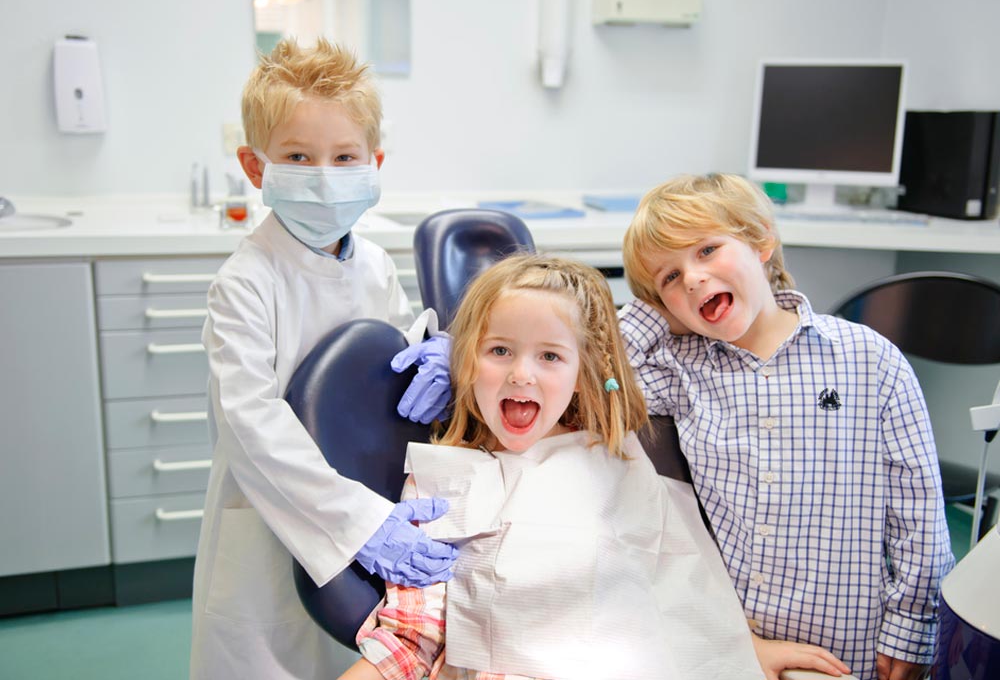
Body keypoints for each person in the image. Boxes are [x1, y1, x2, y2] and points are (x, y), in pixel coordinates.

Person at [344, 254, 850, 680]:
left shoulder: (613, 462)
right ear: (465, 362)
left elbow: (678, 587)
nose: (522, 374)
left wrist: (743, 649)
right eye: (499, 350)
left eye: (550, 356)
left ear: (584, 374)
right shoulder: (443, 482)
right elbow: (412, 637)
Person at [190, 38, 458, 680]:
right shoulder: (246, 282)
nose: (324, 175)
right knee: (267, 656)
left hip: (368, 496)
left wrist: (434, 351)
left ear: (375, 163)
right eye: (298, 157)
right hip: (275, 514)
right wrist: (362, 524)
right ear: (256, 168)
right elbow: (252, 427)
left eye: (344, 157)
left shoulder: (372, 262)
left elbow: (392, 341)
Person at [618, 173, 955, 680]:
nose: (691, 278)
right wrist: (657, 312)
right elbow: (596, 375)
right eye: (670, 277)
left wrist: (911, 628)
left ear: (761, 242)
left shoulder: (869, 359)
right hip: (727, 643)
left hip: (851, 653)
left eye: (707, 250)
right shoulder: (680, 369)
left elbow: (919, 512)